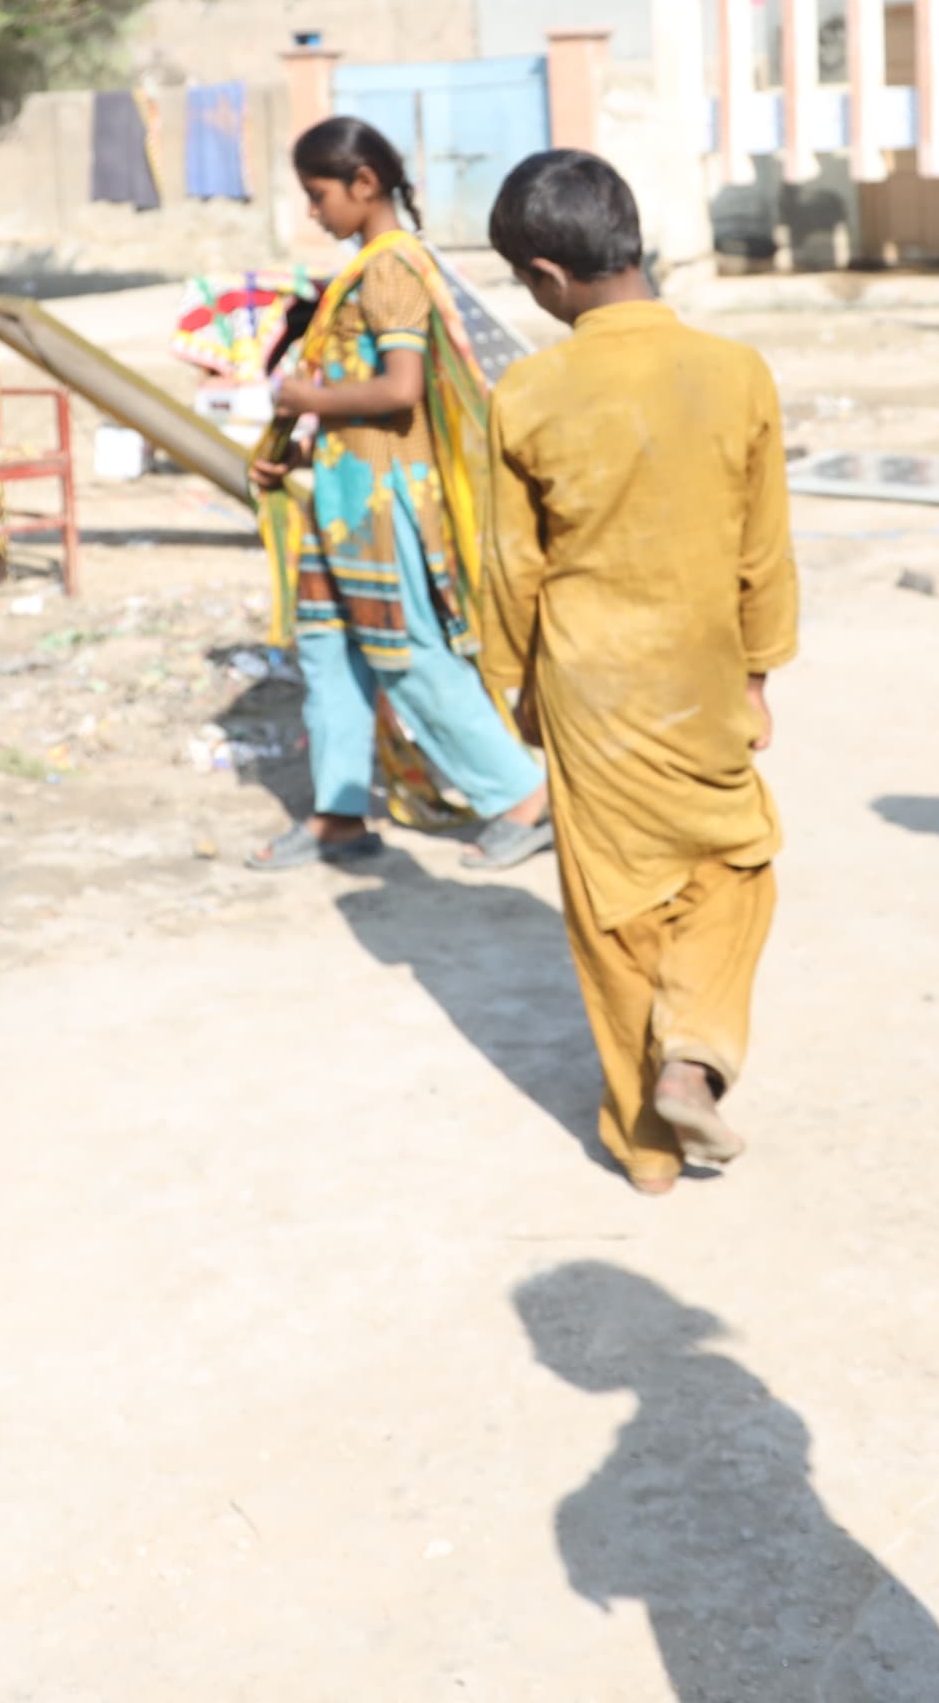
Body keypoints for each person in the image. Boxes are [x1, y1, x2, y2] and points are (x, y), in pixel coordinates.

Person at [477, 150, 798, 1194]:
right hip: (702, 676)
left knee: (611, 912)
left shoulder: (526, 391)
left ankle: (646, 1150)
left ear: (546, 277)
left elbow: (508, 567)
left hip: (586, 686)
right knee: (733, 865)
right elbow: (763, 551)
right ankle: (696, 1049)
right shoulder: (736, 373)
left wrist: (514, 690)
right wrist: (757, 674)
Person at [244, 114, 556, 871]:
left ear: (364, 183)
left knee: (404, 650)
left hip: (383, 495)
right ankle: (338, 813)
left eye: (319, 195)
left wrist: (303, 399)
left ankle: (522, 796)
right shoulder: (368, 265)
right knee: (327, 649)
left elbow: (400, 387)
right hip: (342, 490)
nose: (313, 212)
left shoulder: (390, 267)